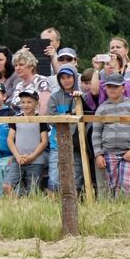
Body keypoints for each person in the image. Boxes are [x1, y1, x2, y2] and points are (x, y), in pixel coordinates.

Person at [91, 73, 130, 197]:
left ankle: (128, 210)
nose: (112, 89)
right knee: (112, 186)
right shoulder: (101, 109)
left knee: (128, 185)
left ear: (123, 88)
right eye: (109, 86)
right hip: (108, 153)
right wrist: (98, 154)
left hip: (129, 153)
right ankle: (115, 210)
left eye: (115, 86)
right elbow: (96, 132)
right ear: (105, 88)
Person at [45, 66, 83, 194]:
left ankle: (77, 202)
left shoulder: (81, 96)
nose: (66, 80)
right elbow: (50, 118)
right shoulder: (54, 97)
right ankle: (53, 203)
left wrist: (79, 99)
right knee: (54, 177)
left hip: (76, 144)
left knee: (76, 176)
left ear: (75, 78)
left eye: (69, 77)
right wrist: (66, 119)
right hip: (57, 143)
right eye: (62, 78)